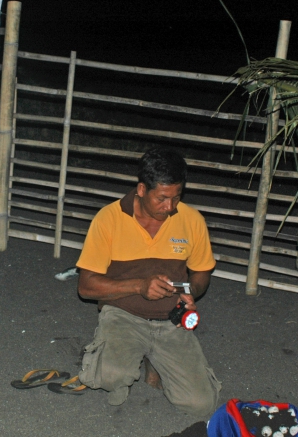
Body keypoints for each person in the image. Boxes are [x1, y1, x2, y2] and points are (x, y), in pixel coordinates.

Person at [76, 148, 221, 418]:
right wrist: (139, 286)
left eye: (176, 197)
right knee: (109, 377)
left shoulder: (191, 220)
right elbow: (85, 287)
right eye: (162, 198)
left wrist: (190, 291)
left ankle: (154, 360)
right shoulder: (109, 218)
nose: (170, 207)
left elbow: (202, 273)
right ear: (142, 190)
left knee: (201, 403)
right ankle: (135, 354)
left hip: (171, 320)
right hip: (123, 315)